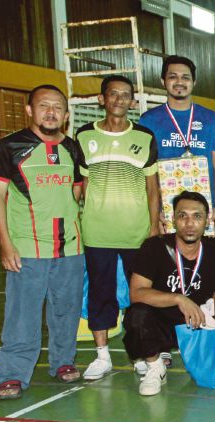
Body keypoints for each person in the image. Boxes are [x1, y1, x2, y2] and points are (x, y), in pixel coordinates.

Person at [0, 84, 86, 399]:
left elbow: (76, 191)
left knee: (66, 311)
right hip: (28, 248)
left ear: (66, 114)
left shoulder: (72, 148)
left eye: (58, 106)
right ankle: (14, 374)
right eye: (44, 105)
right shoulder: (10, 146)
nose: (51, 112)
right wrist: (5, 242)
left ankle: (63, 362)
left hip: (70, 247)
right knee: (22, 314)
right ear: (29, 110)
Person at [123, 192, 215, 396]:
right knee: (136, 316)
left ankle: (208, 356)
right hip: (161, 324)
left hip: (198, 324)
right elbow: (137, 293)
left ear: (207, 221)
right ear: (173, 219)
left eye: (197, 216)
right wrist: (178, 298)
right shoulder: (155, 247)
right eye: (183, 216)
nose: (190, 223)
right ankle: (155, 366)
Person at [75, 75, 160, 380]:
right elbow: (81, 186)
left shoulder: (145, 137)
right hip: (97, 233)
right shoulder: (84, 136)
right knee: (100, 294)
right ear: (102, 99)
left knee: (139, 296)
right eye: (114, 94)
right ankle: (102, 356)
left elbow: (153, 189)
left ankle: (139, 351)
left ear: (132, 102)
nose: (120, 100)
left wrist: (153, 228)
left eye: (126, 96)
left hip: (136, 234)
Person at [139, 55, 215, 242]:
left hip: (205, 214)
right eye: (173, 76)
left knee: (208, 268)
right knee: (170, 270)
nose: (179, 82)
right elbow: (147, 171)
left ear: (194, 82)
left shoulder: (211, 119)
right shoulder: (149, 120)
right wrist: (155, 211)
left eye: (185, 77)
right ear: (163, 81)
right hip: (167, 215)